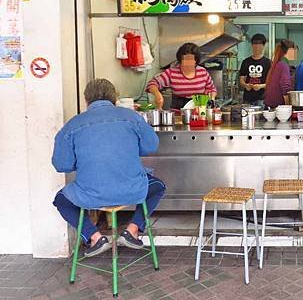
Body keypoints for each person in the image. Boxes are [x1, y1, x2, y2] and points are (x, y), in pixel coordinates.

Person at [52, 79, 166, 257]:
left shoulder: (72, 125)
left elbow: (62, 165)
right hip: (131, 191)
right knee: (158, 187)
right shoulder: (131, 117)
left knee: (61, 201)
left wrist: (84, 161)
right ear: (115, 98)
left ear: (86, 100)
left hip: (89, 194)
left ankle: (95, 237)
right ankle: (133, 230)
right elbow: (151, 146)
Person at [146, 42, 217, 109]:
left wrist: (212, 98)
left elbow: (211, 89)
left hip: (199, 111)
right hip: (178, 113)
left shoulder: (203, 72)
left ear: (196, 61)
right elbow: (152, 84)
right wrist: (157, 94)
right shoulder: (171, 73)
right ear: (180, 60)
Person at [239, 33, 271, 106]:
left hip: (262, 99)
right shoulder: (245, 62)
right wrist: (246, 85)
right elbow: (241, 79)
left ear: (263, 46)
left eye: (259, 45)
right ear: (252, 45)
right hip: (247, 98)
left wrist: (261, 86)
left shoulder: (268, 62)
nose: (257, 47)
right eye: (255, 45)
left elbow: (271, 82)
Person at [264, 39, 295, 108]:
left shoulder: (277, 64)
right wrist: (288, 107)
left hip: (270, 106)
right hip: (278, 108)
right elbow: (285, 87)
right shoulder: (283, 65)